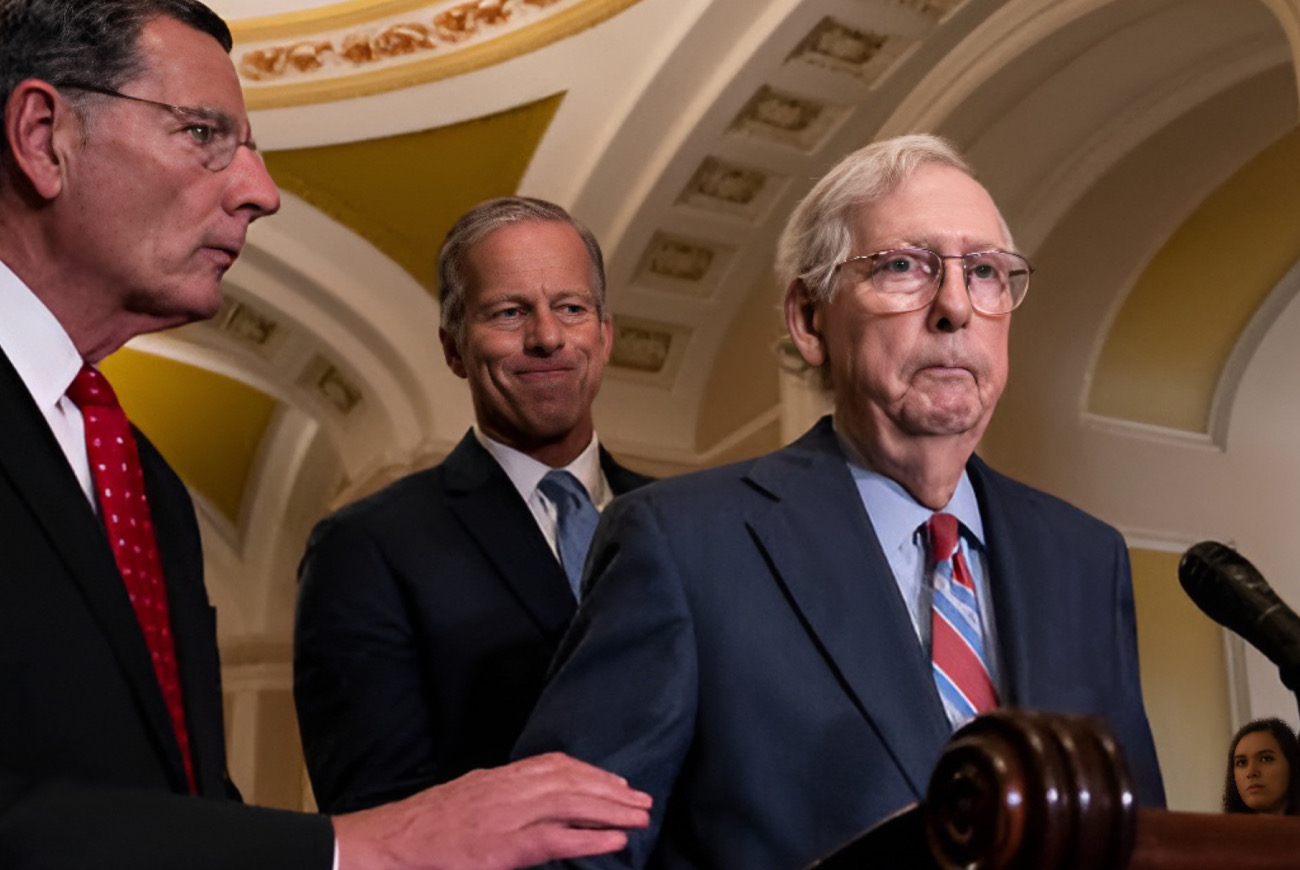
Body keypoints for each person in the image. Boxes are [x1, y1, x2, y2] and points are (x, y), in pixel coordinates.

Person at [0, 2, 649, 869]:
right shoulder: (370, 545)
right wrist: (359, 849)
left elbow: (173, 804)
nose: (260, 192)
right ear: (45, 137)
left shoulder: (145, 483)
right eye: (204, 134)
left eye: (572, 308)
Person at [514, 134, 1165, 870]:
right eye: (902, 267)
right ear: (809, 319)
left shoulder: (1085, 557)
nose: (955, 305)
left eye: (984, 272)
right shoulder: (684, 544)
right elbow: (566, 854)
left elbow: (1141, 839)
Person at [294, 196, 653, 813]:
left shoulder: (688, 519)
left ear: (605, 333)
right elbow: (380, 814)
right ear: (454, 348)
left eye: (571, 308)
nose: (547, 337)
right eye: (509, 312)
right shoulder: (367, 549)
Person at [1223, 717, 1300, 815]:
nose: (1251, 772)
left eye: (1266, 759)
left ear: (1292, 764)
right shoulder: (1219, 829)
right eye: (1242, 762)